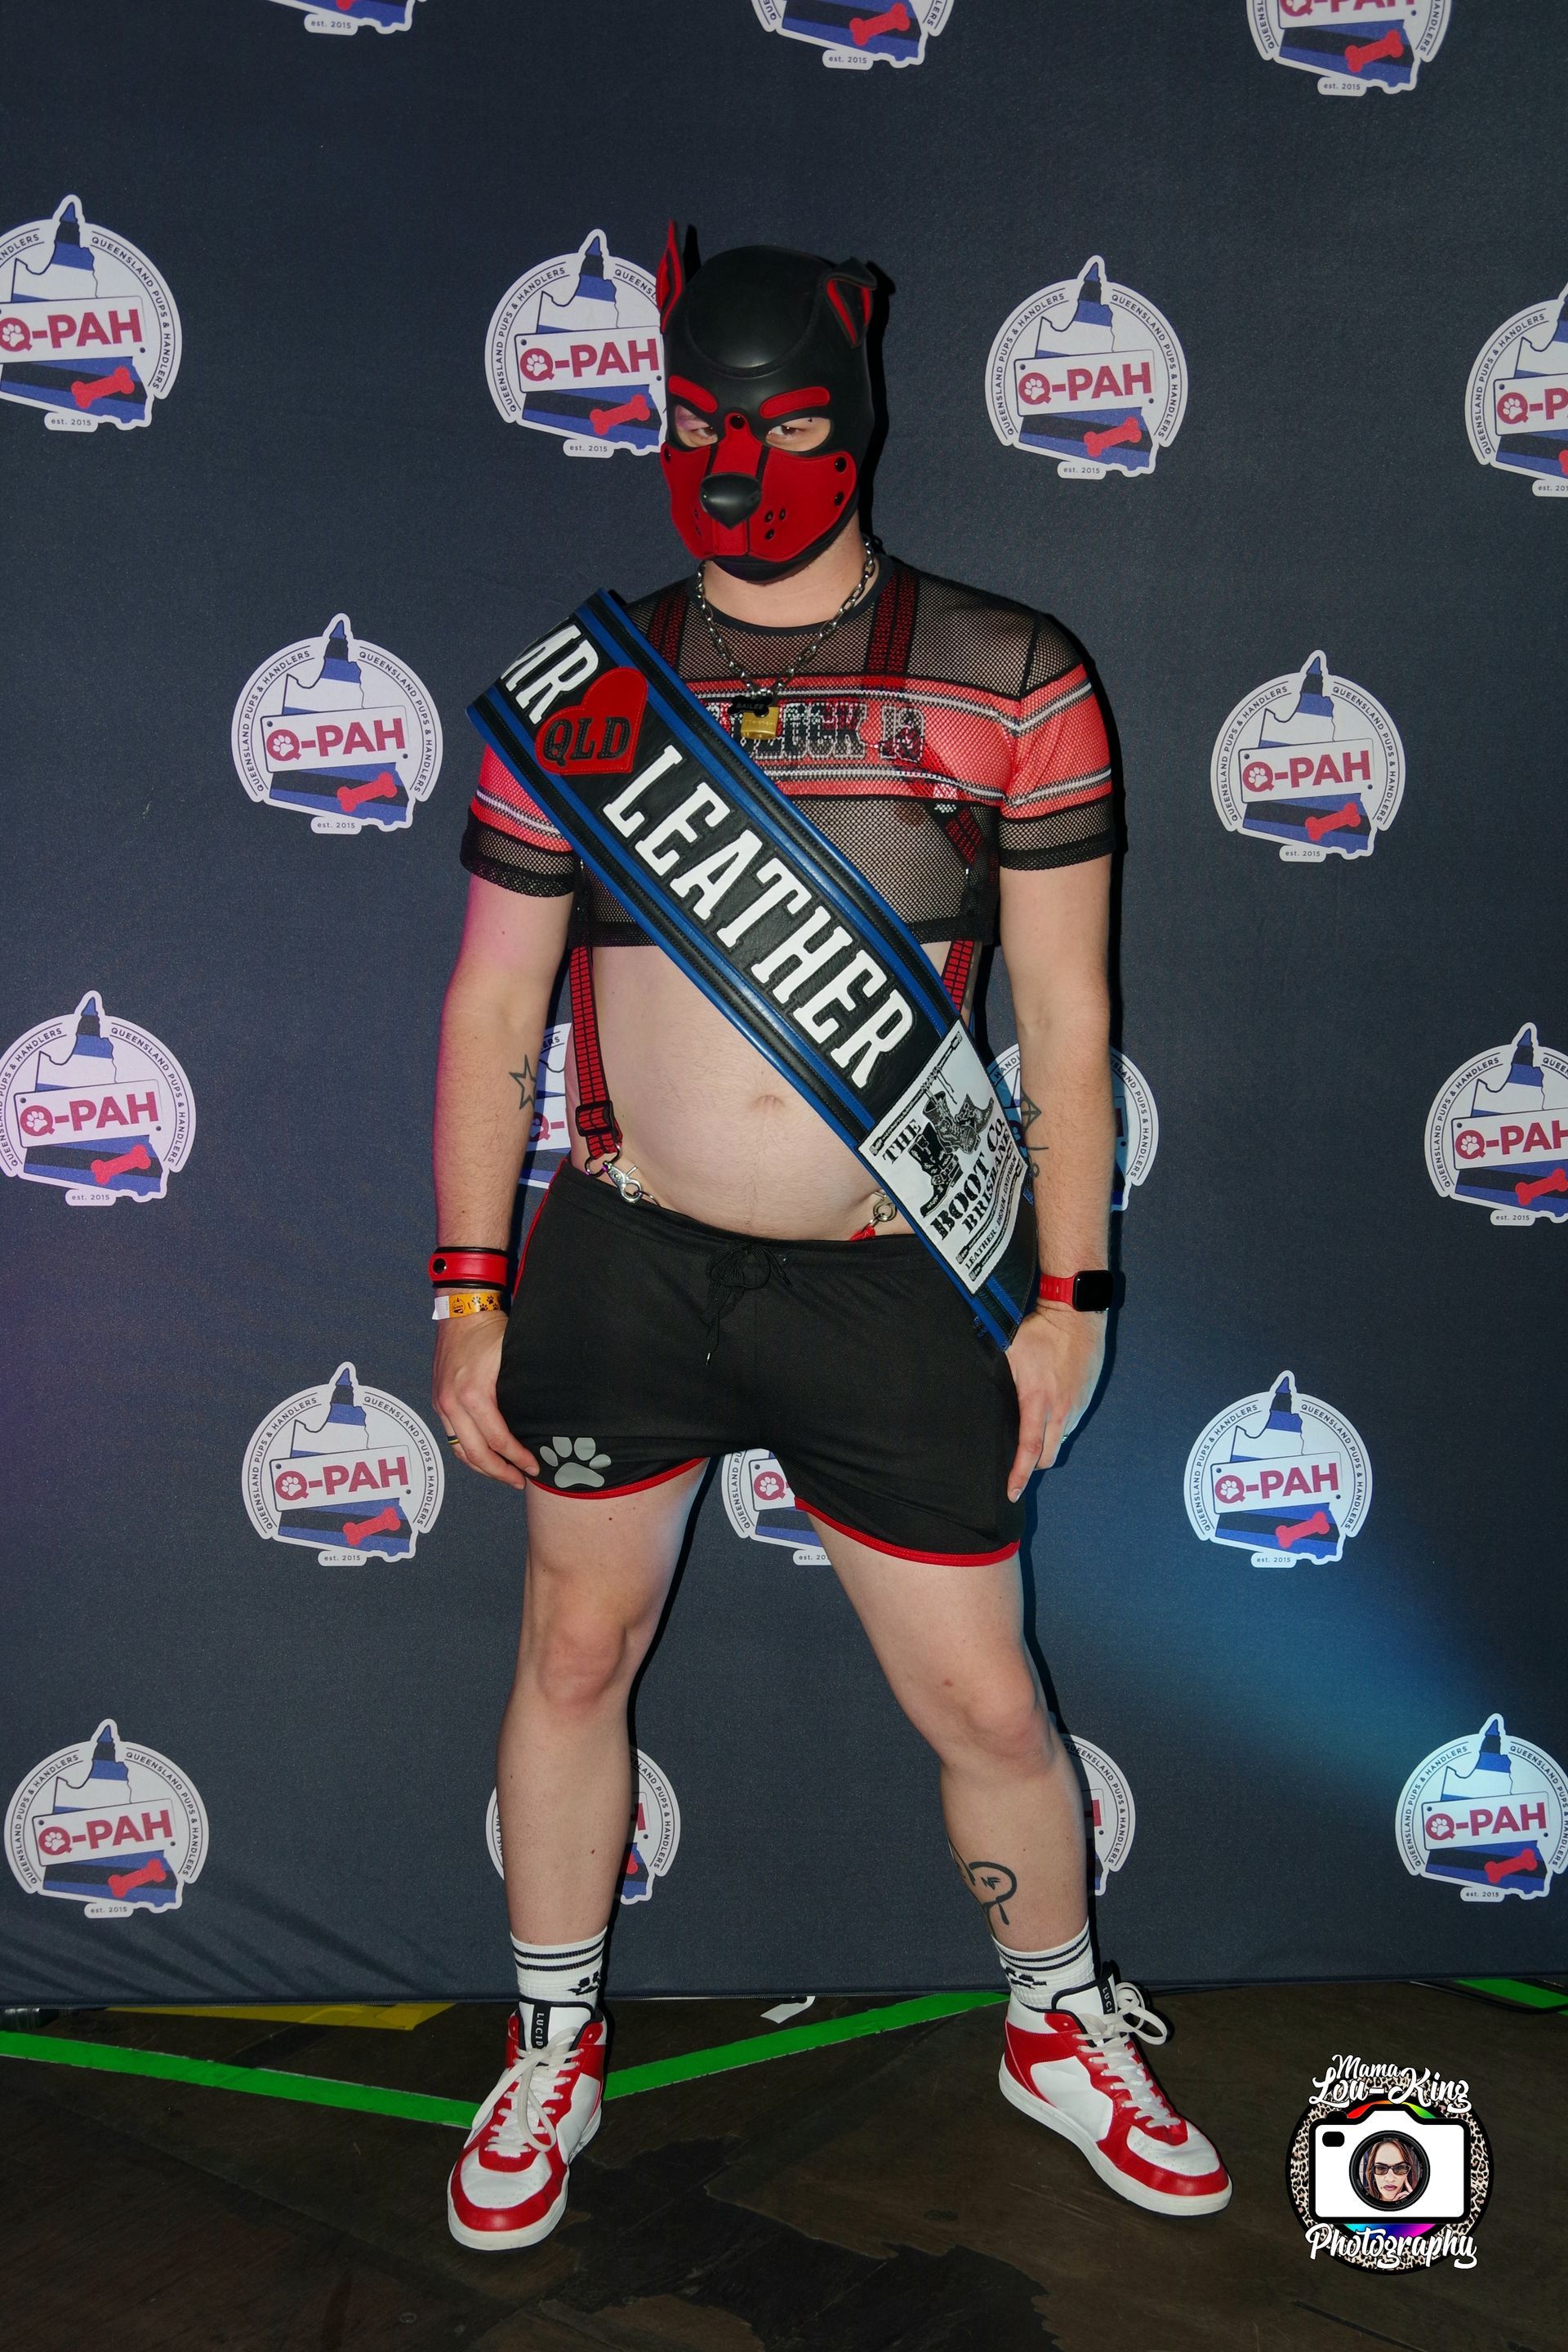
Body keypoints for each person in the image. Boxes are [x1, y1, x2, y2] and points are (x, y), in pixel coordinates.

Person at [434, 236, 1231, 2249]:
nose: (736, 465)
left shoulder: (1012, 672)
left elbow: (1069, 1021)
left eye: (785, 425)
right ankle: (550, 2044)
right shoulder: (589, 691)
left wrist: (1073, 1295)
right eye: (697, 425)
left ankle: (1056, 2025)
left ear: (857, 421)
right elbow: (493, 1008)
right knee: (574, 1648)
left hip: (894, 1273)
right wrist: (465, 1288)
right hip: (628, 1258)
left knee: (985, 1703)